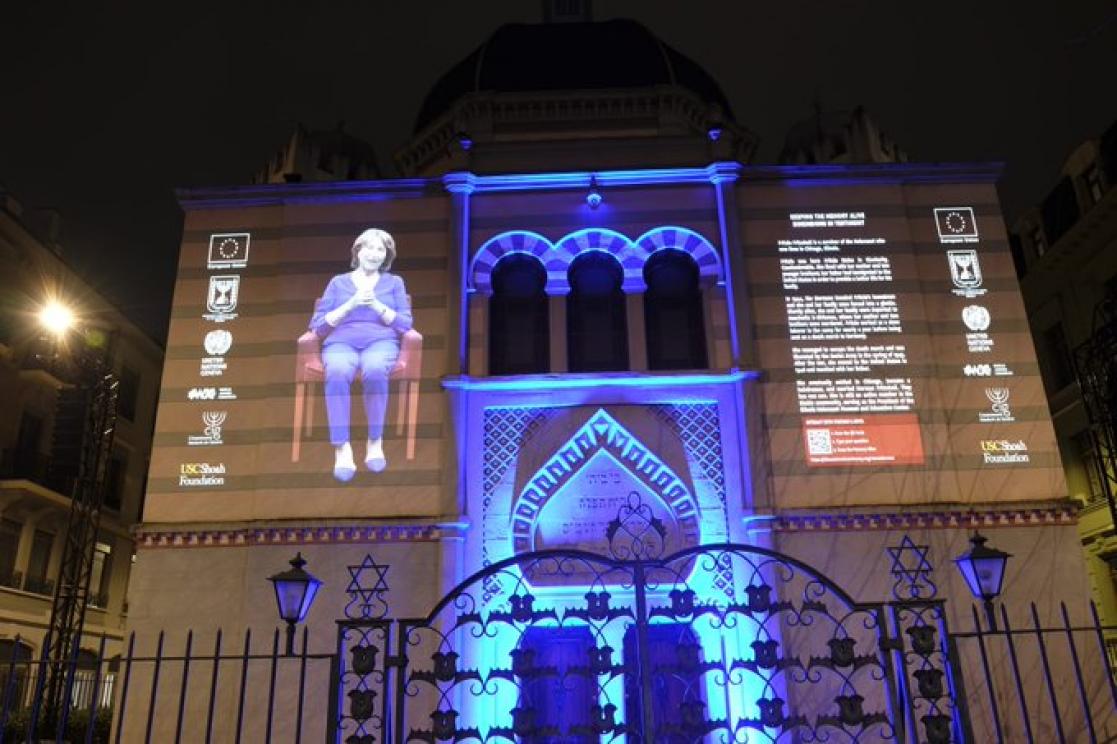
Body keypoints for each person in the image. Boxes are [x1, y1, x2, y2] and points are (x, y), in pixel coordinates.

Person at [308, 228, 413, 481]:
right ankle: (342, 447)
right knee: (337, 371)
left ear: (387, 255)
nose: (375, 254)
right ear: (358, 250)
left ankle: (374, 441)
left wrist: (376, 305)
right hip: (340, 342)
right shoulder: (338, 282)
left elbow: (404, 324)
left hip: (381, 341)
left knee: (376, 369)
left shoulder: (394, 283)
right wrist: (351, 304)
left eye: (381, 250)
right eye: (370, 247)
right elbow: (318, 326)